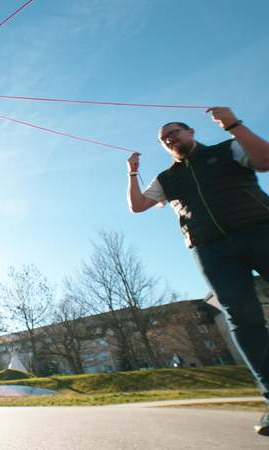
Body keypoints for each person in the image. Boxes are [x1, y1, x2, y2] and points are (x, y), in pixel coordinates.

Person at [126, 106, 269, 436]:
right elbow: (137, 207)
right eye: (164, 139)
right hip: (210, 249)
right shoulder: (167, 178)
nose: (169, 139)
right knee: (243, 319)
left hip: (259, 229)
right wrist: (133, 172)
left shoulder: (228, 148)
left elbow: (264, 160)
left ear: (191, 132)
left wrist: (233, 124)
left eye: (174, 132)